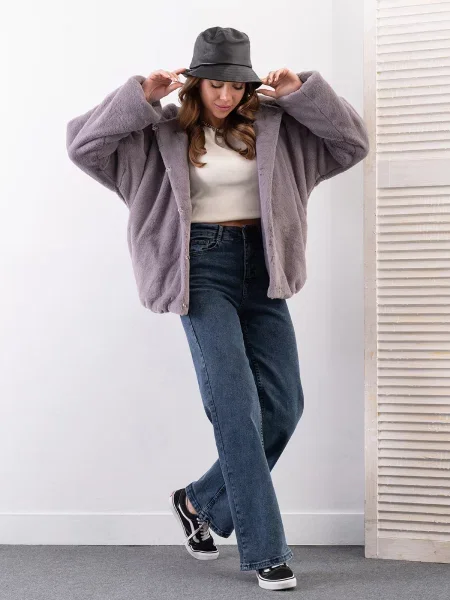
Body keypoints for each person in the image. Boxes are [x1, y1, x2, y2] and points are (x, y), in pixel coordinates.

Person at [66, 26, 369, 592]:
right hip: (199, 268)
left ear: (249, 85)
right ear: (195, 84)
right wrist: (140, 96)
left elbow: (351, 143)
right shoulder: (158, 133)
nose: (226, 96)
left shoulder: (278, 127)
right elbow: (84, 146)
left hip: (264, 266)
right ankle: (266, 551)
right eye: (215, 85)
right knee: (235, 407)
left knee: (284, 407)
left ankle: (198, 502)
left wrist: (303, 92)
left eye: (236, 85)